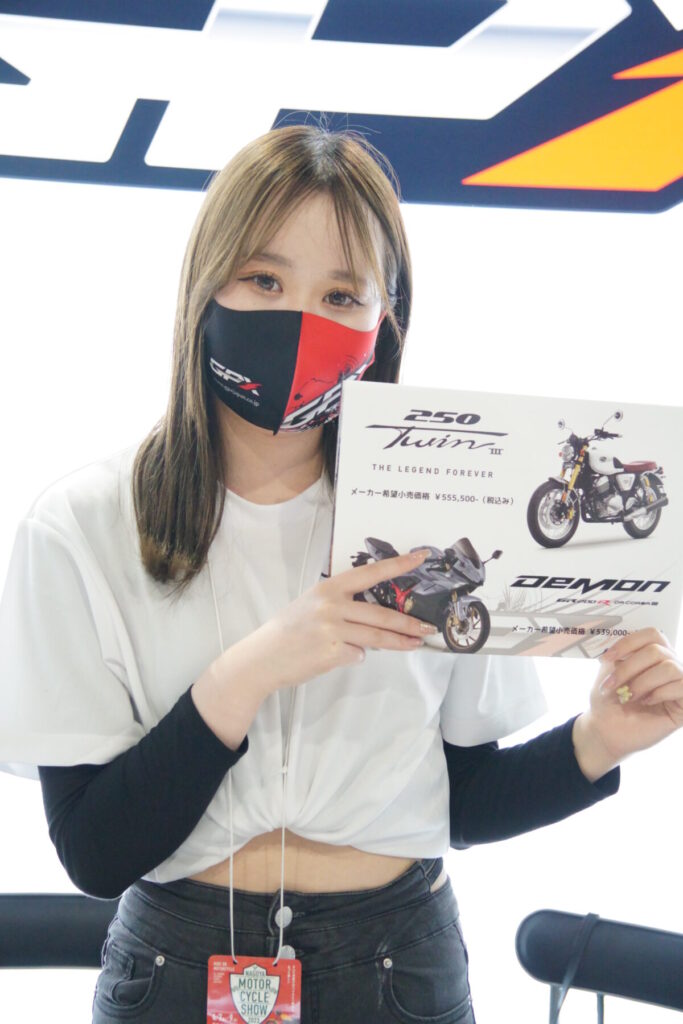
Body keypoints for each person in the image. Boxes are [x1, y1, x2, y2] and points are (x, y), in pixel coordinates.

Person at [1, 125, 681, 1024]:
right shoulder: (83, 525)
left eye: (340, 294)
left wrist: (597, 739)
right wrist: (250, 671)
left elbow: (462, 804)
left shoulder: (442, 512)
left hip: (396, 962)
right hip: (175, 964)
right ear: (205, 286)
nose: (300, 319)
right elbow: (95, 853)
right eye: (264, 280)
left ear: (384, 319)